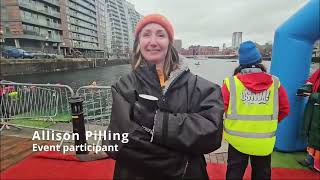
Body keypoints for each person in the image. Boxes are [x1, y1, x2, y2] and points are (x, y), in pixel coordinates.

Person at [103, 14, 224, 179]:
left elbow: (211, 134)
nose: (153, 41)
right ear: (139, 42)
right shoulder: (123, 87)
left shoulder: (202, 88)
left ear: (169, 42)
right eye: (146, 34)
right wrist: (183, 160)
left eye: (160, 34)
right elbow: (117, 143)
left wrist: (156, 123)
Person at [221, 41, 290, 180]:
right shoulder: (275, 83)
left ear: (240, 63)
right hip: (264, 142)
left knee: (234, 173)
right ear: (259, 60)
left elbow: (219, 108)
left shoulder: (231, 83)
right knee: (262, 174)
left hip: (237, 141)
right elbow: (284, 109)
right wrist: (269, 124)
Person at [297, 68, 320, 172]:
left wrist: (313, 95)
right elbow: (311, 82)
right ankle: (310, 159)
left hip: (316, 106)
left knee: (317, 135)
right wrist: (304, 90)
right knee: (312, 133)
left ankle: (317, 164)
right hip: (314, 108)